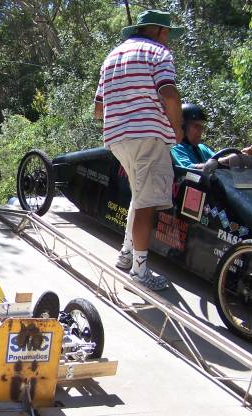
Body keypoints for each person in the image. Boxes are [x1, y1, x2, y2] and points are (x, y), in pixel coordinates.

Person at [94, 10, 185, 291]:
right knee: (147, 204)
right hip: (148, 136)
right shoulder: (158, 52)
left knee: (140, 195)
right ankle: (140, 272)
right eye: (167, 32)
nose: (169, 38)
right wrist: (177, 127)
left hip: (118, 138)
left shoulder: (111, 57)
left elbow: (98, 110)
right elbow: (168, 93)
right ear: (158, 31)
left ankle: (125, 254)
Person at [171, 103, 216, 169]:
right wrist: (208, 166)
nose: (200, 130)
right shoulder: (176, 147)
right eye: (196, 126)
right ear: (182, 127)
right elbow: (187, 168)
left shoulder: (202, 148)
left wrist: (227, 160)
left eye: (202, 126)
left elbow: (217, 159)